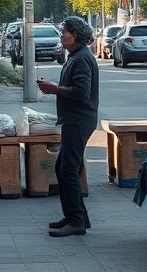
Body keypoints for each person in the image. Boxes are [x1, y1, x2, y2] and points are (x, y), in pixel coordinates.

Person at [36, 16, 99, 238]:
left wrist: (55, 89)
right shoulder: (76, 56)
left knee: (68, 169)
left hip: (79, 120)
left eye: (64, 32)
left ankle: (76, 221)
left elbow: (82, 92)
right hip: (75, 120)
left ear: (75, 35)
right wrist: (54, 88)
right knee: (63, 168)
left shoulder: (81, 58)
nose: (61, 35)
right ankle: (76, 215)